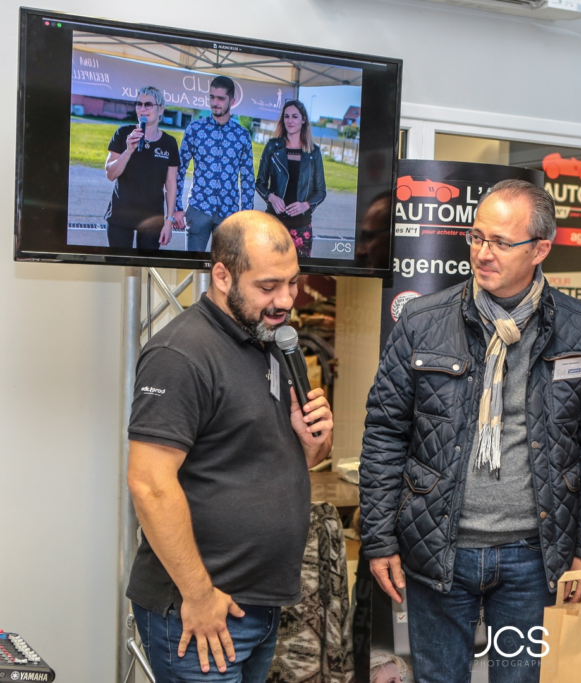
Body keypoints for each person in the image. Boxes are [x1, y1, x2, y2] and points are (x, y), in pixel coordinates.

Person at [359, 179, 581, 683]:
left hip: (535, 557)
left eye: (500, 242)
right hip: (437, 549)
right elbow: (385, 432)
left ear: (541, 248)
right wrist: (379, 539)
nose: (482, 253)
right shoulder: (422, 321)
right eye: (476, 238)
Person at [126, 211, 334, 681]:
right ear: (222, 275)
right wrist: (199, 596)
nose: (284, 300)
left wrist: (311, 444)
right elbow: (148, 484)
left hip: (258, 606)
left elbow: (265, 463)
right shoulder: (180, 354)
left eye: (293, 283)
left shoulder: (271, 343)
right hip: (201, 608)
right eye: (268, 286)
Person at [174, 75, 255, 252]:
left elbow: (248, 178)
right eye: (212, 97)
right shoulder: (195, 129)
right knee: (194, 269)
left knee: (223, 273)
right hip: (198, 208)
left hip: (229, 214)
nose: (215, 103)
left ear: (232, 101)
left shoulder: (242, 135)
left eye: (220, 98)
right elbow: (179, 170)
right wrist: (176, 207)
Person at [104, 86, 179, 250]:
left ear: (161, 109)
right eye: (139, 104)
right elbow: (110, 174)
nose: (142, 109)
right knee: (119, 268)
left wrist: (169, 221)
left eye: (148, 105)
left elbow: (171, 184)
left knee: (147, 270)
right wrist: (128, 150)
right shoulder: (123, 133)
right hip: (121, 216)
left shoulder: (169, 143)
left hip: (152, 219)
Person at [255, 99, 326, 257]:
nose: (290, 120)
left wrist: (305, 205)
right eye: (286, 116)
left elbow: (321, 191)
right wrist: (271, 197)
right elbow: (260, 183)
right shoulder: (272, 147)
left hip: (301, 226)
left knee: (298, 276)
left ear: (303, 120)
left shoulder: (314, 152)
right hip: (273, 224)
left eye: (294, 116)